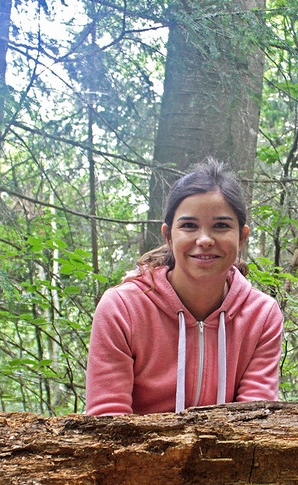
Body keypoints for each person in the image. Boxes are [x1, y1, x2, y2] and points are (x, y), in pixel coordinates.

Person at [86, 158, 283, 415]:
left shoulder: (262, 315)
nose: (204, 240)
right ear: (168, 235)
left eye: (221, 226)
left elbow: (253, 419)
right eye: (189, 226)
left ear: (242, 236)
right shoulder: (122, 308)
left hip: (230, 453)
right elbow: (107, 419)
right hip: (135, 452)